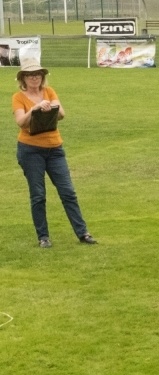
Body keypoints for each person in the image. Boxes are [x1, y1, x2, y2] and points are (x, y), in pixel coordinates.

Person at [12, 62, 97, 248]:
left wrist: (50, 107)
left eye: (38, 74)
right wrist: (34, 109)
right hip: (30, 150)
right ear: (23, 79)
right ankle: (43, 237)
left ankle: (83, 233)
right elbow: (20, 122)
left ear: (42, 77)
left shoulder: (49, 92)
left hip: (55, 149)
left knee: (68, 192)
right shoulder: (18, 98)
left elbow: (62, 114)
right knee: (38, 195)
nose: (34, 77)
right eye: (30, 75)